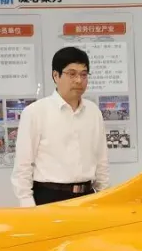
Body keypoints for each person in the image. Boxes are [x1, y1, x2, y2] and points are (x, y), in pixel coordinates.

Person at [11, 46, 110, 208]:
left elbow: (101, 161)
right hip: (49, 197)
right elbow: (23, 166)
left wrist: (103, 197)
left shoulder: (93, 112)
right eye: (72, 74)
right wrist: (28, 205)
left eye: (83, 74)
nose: (78, 80)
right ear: (55, 76)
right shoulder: (35, 112)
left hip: (87, 196)